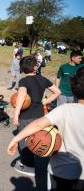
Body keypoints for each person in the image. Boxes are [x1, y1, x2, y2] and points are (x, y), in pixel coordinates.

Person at [8, 68, 84, 191]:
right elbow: (56, 92)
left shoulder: (65, 109)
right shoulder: (43, 81)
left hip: (61, 171)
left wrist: (15, 139)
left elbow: (38, 125)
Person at [12, 56, 60, 190]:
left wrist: (15, 115)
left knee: (25, 141)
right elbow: (57, 92)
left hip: (26, 116)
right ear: (35, 67)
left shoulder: (23, 81)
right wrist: (45, 101)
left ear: (22, 69)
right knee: (38, 139)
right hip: (40, 115)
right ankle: (38, 163)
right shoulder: (43, 79)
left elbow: (21, 97)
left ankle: (28, 166)